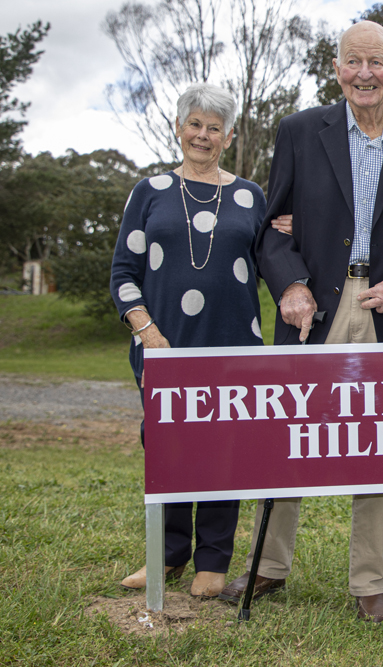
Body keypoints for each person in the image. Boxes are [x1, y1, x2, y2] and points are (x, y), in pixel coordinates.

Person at [217, 20, 383, 622]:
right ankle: (268, 565)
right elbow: (271, 233)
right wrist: (291, 285)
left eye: (377, 62)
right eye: (353, 61)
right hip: (313, 309)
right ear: (336, 69)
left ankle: (370, 581)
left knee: (376, 440)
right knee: (288, 433)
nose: (364, 74)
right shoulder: (299, 132)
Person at [110, 82, 270, 599]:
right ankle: (168, 553)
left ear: (229, 136)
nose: (203, 135)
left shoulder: (250, 196)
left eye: (214, 127)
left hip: (234, 346)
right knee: (169, 448)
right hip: (165, 345)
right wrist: (146, 331)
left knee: (224, 447)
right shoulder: (150, 191)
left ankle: (214, 559)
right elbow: (123, 272)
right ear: (179, 128)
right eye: (194, 124)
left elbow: (272, 258)